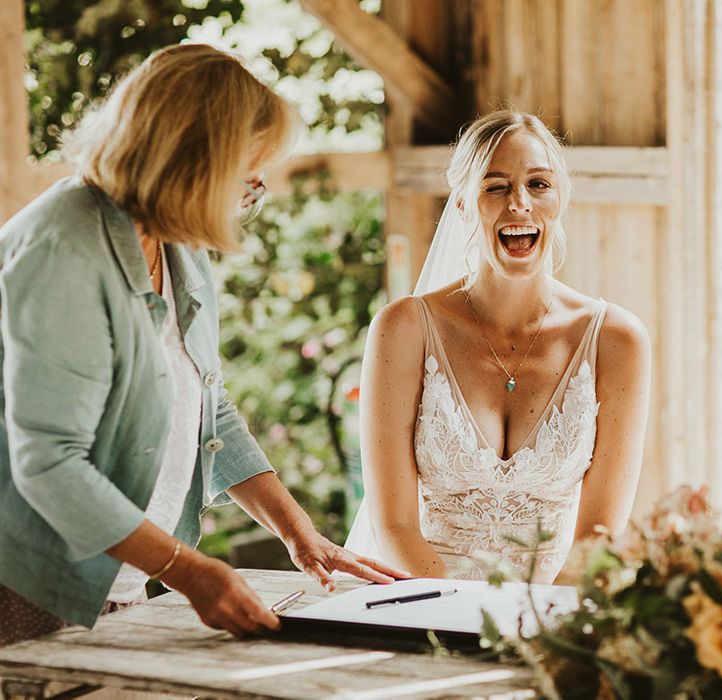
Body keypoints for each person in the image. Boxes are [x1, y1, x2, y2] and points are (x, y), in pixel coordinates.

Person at [0, 43, 405, 647]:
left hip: (123, 580)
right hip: (28, 584)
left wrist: (299, 532)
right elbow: (50, 463)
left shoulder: (176, 238)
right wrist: (187, 571)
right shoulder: (63, 248)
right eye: (247, 181)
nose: (249, 200)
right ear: (192, 162)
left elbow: (205, 406)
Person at [345, 110, 651, 583]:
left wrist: (542, 631)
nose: (519, 204)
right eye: (495, 186)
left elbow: (599, 532)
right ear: (464, 205)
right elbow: (395, 523)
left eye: (539, 184)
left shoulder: (617, 340)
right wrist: (462, 622)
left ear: (560, 200)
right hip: (426, 602)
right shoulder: (403, 328)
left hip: (554, 614)